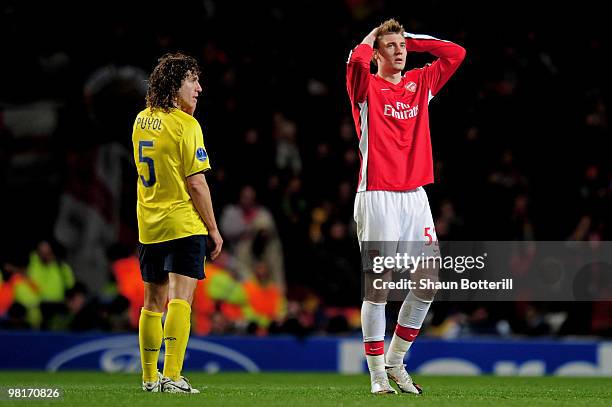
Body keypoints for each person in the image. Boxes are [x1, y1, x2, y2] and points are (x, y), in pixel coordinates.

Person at [346, 19, 465, 394]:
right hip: (378, 193)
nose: (400, 51)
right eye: (392, 46)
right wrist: (373, 37)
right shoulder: (366, 89)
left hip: (415, 195)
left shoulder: (420, 84)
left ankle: (396, 360)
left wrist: (410, 39)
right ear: (377, 53)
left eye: (403, 46)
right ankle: (377, 375)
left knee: (428, 281)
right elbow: (354, 61)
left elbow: (455, 53)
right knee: (378, 287)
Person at [133, 53, 223, 394]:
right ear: (174, 86)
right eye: (192, 81)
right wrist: (213, 229)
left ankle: (148, 378)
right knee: (181, 300)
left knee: (151, 302)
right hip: (183, 224)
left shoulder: (141, 120)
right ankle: (172, 375)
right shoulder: (187, 125)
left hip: (149, 224)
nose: (199, 88)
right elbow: (196, 183)